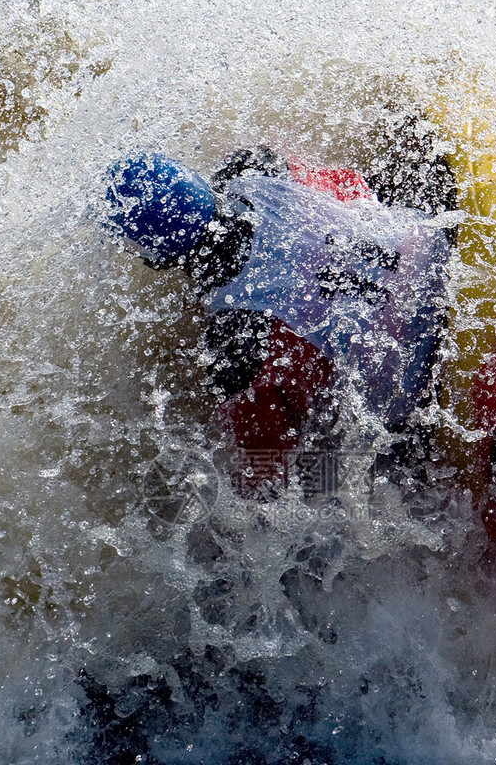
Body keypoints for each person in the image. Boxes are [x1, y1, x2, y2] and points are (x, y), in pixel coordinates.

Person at [102, 127, 457, 495]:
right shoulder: (260, 169)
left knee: (315, 479)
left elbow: (266, 477)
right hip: (439, 256)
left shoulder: (232, 352)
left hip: (419, 395)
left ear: (153, 258)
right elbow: (354, 191)